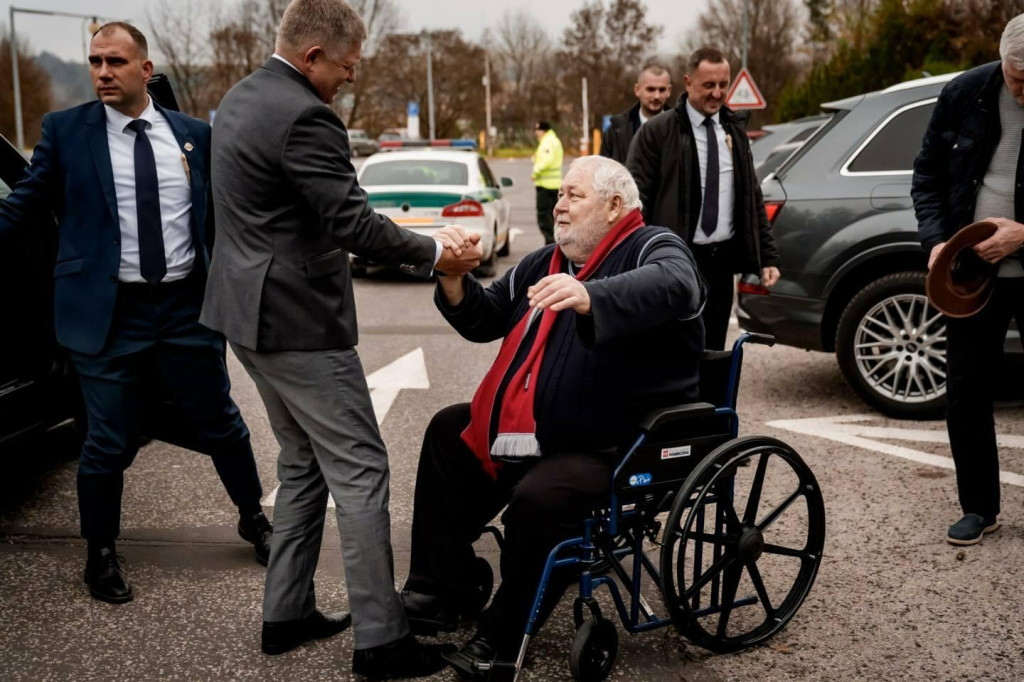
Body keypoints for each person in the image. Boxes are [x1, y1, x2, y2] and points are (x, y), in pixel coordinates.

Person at [199, 0, 481, 677]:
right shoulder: (306, 116)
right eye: (346, 68)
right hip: (297, 321)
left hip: (244, 314)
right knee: (361, 468)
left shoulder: (240, 97)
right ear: (312, 56)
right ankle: (383, 640)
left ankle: (286, 612)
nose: (349, 80)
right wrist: (438, 254)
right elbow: (354, 225)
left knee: (301, 463)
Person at [398, 156, 705, 678]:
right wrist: (453, 280)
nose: (559, 205)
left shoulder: (654, 245)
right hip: (537, 430)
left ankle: (503, 633)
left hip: (615, 442)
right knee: (448, 432)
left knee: (542, 498)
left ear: (614, 206)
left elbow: (677, 286)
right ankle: (441, 587)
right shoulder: (545, 260)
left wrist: (592, 295)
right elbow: (486, 317)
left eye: (572, 195)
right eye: (559, 194)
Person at [0, 22, 271, 605]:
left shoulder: (194, 136)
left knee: (221, 419)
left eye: (115, 61)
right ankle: (100, 552)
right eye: (94, 61)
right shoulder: (65, 132)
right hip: (106, 313)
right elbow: (20, 209)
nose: (102, 72)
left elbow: (226, 219)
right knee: (106, 437)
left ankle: (255, 518)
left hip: (183, 309)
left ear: (145, 70)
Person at [912, 14, 1024, 546]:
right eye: (1017, 77)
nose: (1023, 89)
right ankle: (979, 507)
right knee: (965, 391)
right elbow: (927, 175)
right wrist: (936, 240)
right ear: (1001, 61)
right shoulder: (964, 92)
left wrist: (1023, 235)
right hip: (971, 275)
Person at [627, 46, 780, 350]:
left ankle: (709, 399)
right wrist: (634, 258)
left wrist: (768, 256)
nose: (717, 93)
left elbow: (752, 197)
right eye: (708, 85)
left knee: (713, 350)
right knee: (670, 348)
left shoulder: (735, 131)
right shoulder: (658, 132)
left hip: (721, 263)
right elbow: (634, 202)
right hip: (674, 261)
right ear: (688, 82)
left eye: (723, 85)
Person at [599, 63, 672, 164]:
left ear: (669, 91)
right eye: (650, 89)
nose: (657, 96)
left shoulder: (683, 129)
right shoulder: (616, 130)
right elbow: (602, 173)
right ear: (637, 90)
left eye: (662, 90)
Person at [531, 121, 564, 244]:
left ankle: (551, 243)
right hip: (553, 184)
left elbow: (547, 160)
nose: (536, 133)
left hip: (546, 185)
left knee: (544, 216)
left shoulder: (548, 142)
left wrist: (536, 171)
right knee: (552, 215)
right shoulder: (553, 140)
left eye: (538, 131)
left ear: (543, 131)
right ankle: (553, 242)